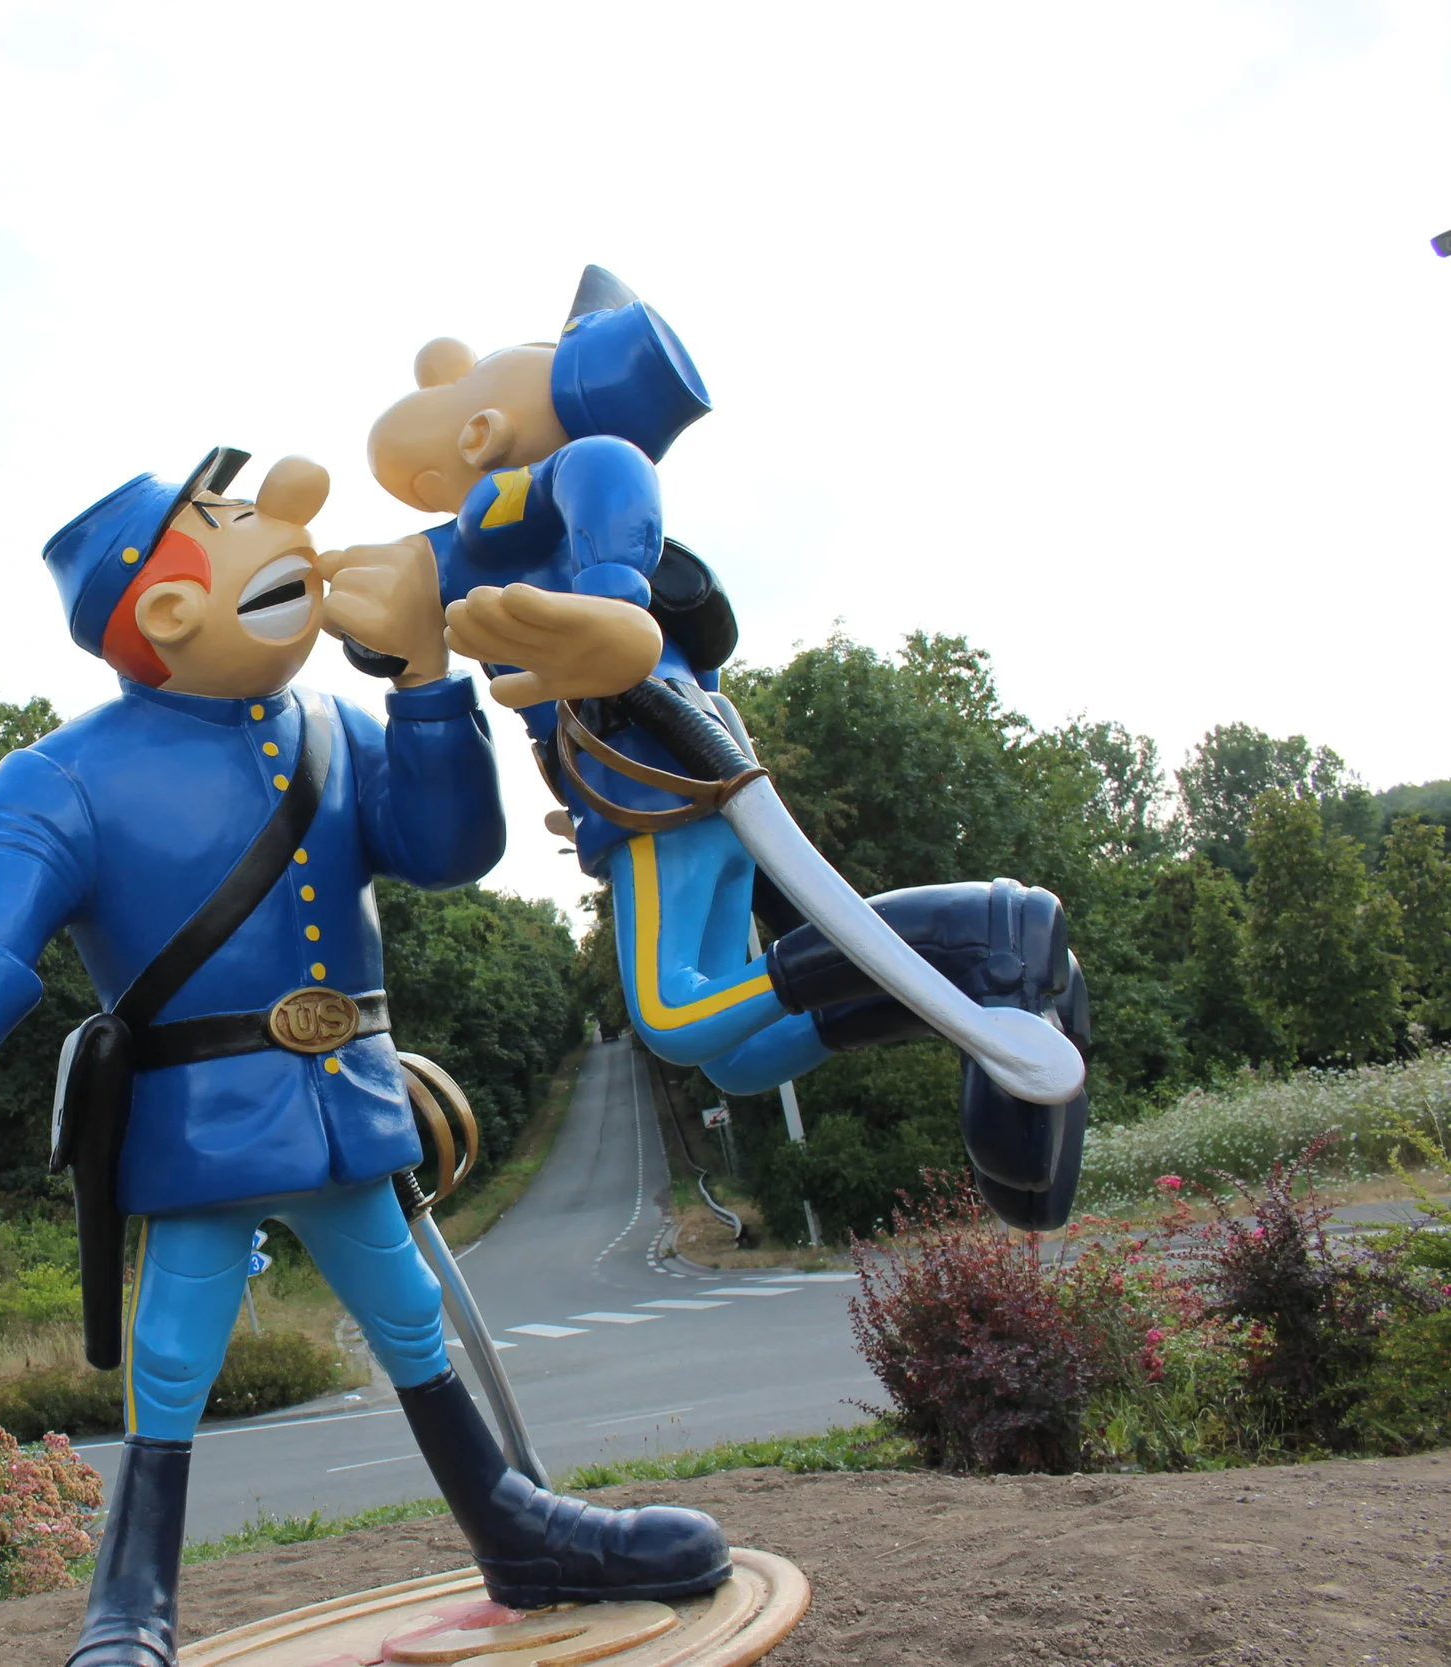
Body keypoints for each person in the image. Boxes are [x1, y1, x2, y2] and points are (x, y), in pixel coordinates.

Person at [0, 448, 730, 1667]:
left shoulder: (333, 726)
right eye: (230, 516)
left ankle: (515, 1529)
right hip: (200, 1116)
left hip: (345, 1103)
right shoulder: (58, 777)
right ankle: (129, 1601)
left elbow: (448, 849)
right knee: (174, 1348)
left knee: (409, 1313)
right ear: (168, 608)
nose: (291, 515)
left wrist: (425, 679)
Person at [325, 267, 1088, 1230]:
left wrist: (609, 596)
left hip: (657, 780)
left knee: (676, 1018)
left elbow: (611, 475)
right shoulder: (495, 533)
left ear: (482, 434)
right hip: (666, 777)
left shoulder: (553, 484)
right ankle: (953, 990)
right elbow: (403, 587)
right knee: (743, 1056)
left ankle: (976, 931)